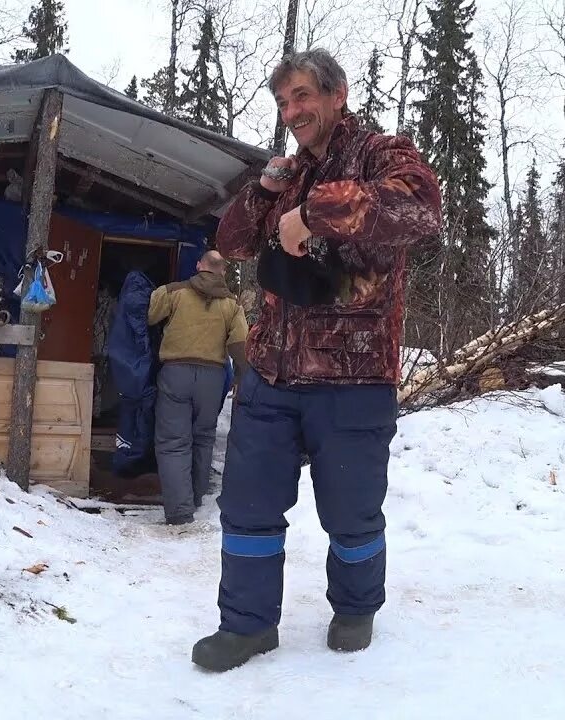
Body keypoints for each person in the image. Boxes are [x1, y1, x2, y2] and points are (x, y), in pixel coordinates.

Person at [190, 48, 442, 672]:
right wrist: (269, 191)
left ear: (337, 95)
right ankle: (247, 626)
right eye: (282, 102)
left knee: (351, 510)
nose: (291, 111)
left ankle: (356, 609)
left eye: (302, 96)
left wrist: (312, 215)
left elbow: (420, 207)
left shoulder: (381, 152)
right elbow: (231, 244)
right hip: (272, 370)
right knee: (247, 504)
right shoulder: (286, 173)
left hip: (352, 374)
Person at [147, 250, 249, 525]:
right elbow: (240, 344)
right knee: (203, 438)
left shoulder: (175, 292)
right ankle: (196, 499)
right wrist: (242, 378)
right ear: (222, 272)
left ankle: (180, 511)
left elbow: (150, 316)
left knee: (173, 442)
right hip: (212, 378)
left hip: (176, 373)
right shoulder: (232, 304)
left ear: (198, 265)